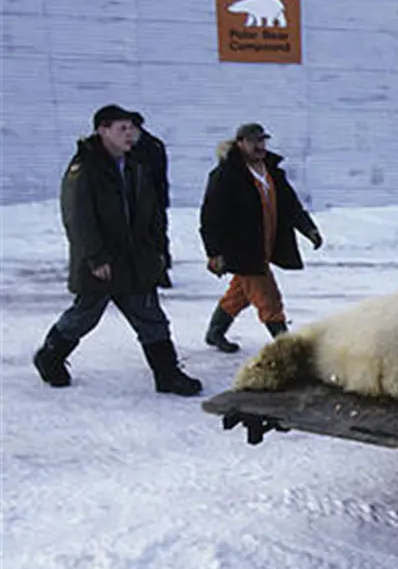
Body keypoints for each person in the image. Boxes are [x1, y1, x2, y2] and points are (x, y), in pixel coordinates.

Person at [32, 104, 202, 396]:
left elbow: (152, 213)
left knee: (151, 316)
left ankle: (167, 374)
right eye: (122, 128)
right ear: (102, 130)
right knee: (84, 315)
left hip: (136, 260)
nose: (130, 134)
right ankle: (50, 356)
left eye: (132, 128)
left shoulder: (136, 166)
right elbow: (78, 217)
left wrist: (159, 250)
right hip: (103, 260)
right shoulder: (84, 168)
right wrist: (95, 257)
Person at [199, 123, 322, 353]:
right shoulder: (226, 175)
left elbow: (290, 205)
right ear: (240, 143)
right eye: (254, 141)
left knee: (240, 293)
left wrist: (309, 229)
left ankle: (215, 333)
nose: (260, 146)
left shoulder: (272, 171)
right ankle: (285, 345)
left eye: (262, 140)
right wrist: (214, 252)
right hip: (242, 248)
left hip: (266, 246)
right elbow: (210, 217)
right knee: (268, 297)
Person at [129, 112, 173, 287]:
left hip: (152, 199)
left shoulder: (152, 145)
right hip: (134, 200)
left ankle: (161, 271)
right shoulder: (125, 146)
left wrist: (160, 201)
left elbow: (159, 176)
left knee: (157, 236)